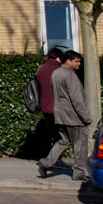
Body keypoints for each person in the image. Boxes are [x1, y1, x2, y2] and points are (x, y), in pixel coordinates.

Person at [40, 50, 92, 181]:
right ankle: (80, 172)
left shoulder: (56, 73)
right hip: (74, 117)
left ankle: (46, 163)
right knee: (80, 144)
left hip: (60, 115)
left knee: (63, 141)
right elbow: (76, 98)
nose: (79, 64)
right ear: (68, 60)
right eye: (77, 61)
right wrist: (85, 116)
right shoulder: (70, 75)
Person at [35, 46, 66, 173]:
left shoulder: (41, 69)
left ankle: (48, 160)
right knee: (64, 137)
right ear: (59, 58)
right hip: (58, 108)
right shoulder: (60, 69)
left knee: (52, 134)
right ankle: (51, 161)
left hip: (45, 107)